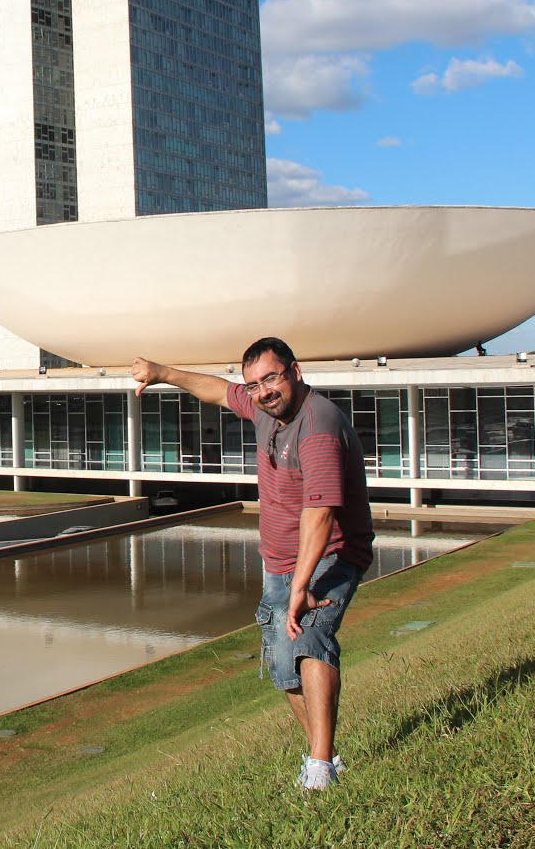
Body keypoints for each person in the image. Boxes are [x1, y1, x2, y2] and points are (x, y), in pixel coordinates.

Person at [132, 337, 373, 791]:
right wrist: (163, 373)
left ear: (295, 372)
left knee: (311, 636)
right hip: (278, 559)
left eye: (271, 378)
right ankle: (325, 758)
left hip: (328, 554)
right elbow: (220, 391)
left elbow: (320, 514)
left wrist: (301, 585)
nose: (263, 391)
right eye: (255, 384)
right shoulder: (265, 408)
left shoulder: (318, 426)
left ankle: (320, 766)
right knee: (284, 662)